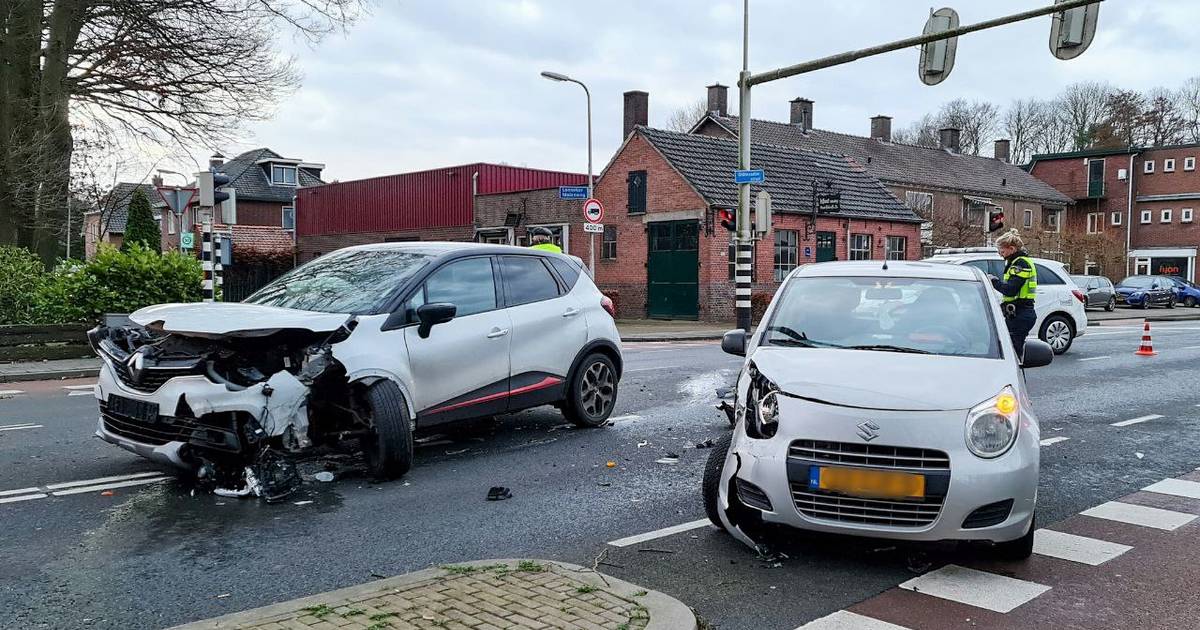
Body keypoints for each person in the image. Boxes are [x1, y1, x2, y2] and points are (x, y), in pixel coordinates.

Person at [990, 229, 1038, 357]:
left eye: (1002, 250)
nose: (1000, 254)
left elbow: (1011, 290)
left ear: (1011, 248)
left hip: (1020, 313)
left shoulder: (1020, 263)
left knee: (1013, 352)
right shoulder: (1015, 262)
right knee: (1010, 349)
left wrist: (993, 281)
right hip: (1016, 312)